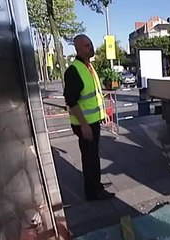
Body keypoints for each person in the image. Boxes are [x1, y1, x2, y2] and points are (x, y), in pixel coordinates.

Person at [63, 34, 115, 201]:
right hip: (84, 124)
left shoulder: (88, 67)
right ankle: (93, 191)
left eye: (91, 44)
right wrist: (84, 125)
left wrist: (103, 114)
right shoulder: (74, 70)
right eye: (86, 45)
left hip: (92, 121)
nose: (91, 47)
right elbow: (72, 101)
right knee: (90, 158)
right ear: (77, 49)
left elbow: (95, 96)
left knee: (92, 155)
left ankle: (95, 184)